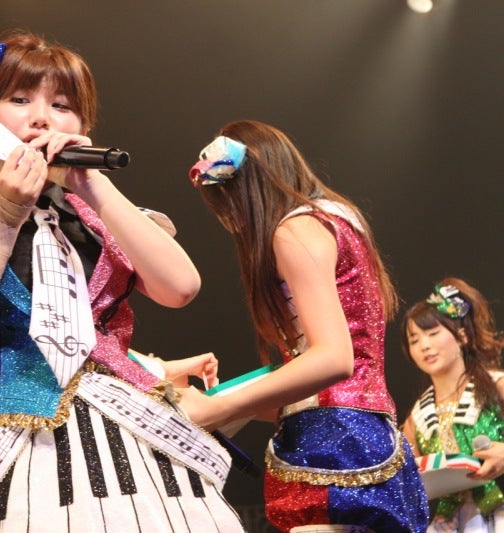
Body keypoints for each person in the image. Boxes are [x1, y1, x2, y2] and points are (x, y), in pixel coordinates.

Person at [0, 31, 244, 532]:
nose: (42, 118)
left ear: (84, 127)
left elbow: (180, 288)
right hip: (19, 450)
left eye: (62, 106)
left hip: (131, 435)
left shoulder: (104, 217)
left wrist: (92, 185)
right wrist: (2, 219)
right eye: (19, 99)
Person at [179, 120, 429, 532]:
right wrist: (237, 398)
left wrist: (217, 407)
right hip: (368, 437)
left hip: (334, 445)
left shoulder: (294, 230)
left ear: (247, 189)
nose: (230, 220)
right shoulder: (338, 223)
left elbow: (333, 360)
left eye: (226, 202)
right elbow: (340, 377)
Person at [401, 277, 504, 531]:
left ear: (462, 336)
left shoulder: (496, 386)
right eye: (414, 340)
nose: (424, 346)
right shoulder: (417, 418)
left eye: (433, 333)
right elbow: (406, 485)